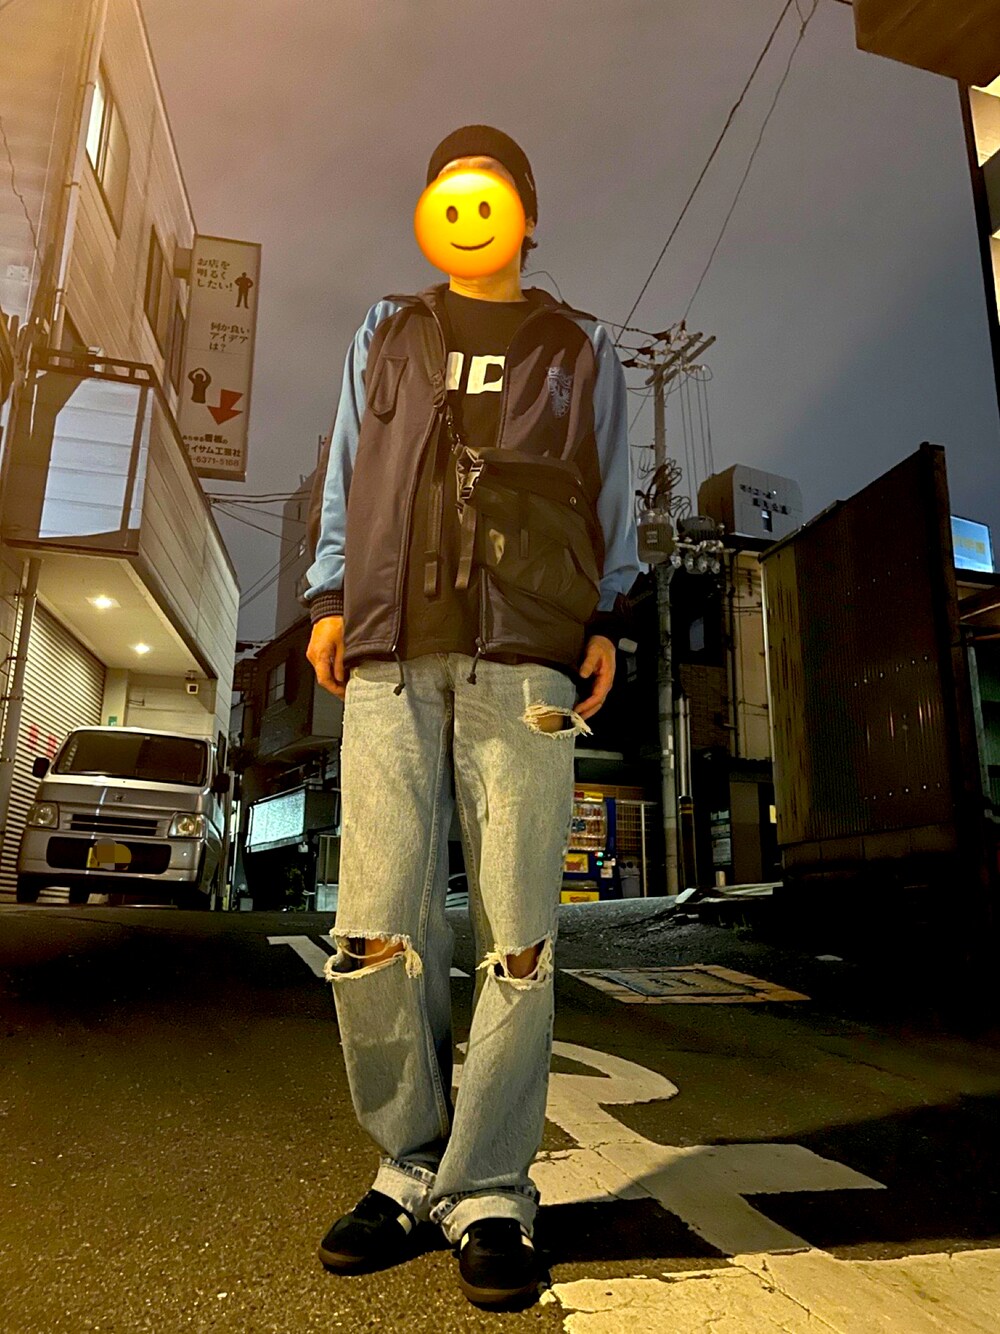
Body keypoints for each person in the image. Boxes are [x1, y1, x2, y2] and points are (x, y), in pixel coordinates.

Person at [304, 124, 639, 1309]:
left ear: (527, 218)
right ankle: (405, 1165)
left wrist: (608, 615)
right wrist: (330, 593)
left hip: (526, 652)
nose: (466, 207)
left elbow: (610, 487)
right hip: (393, 651)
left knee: (519, 935)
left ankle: (491, 1189)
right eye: (446, 191)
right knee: (374, 926)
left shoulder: (580, 344)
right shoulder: (384, 331)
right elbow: (349, 467)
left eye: (488, 191)